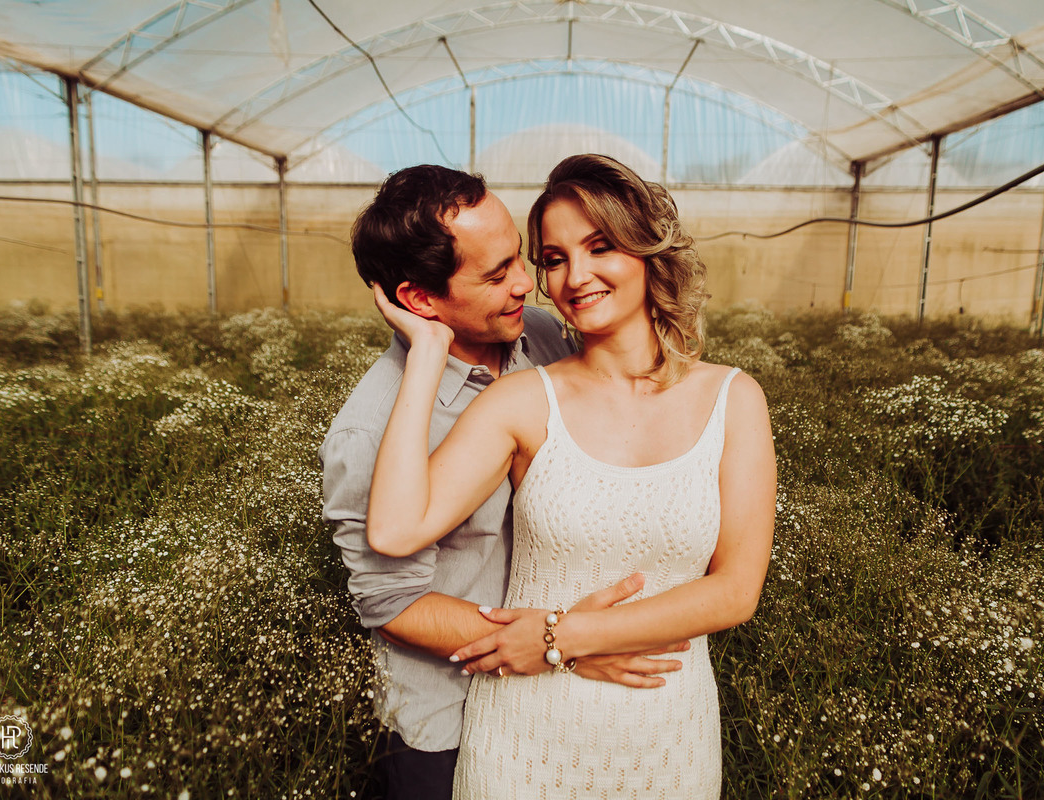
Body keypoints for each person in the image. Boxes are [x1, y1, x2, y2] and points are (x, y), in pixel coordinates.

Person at [366, 154, 776, 799]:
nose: (574, 277)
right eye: (554, 259)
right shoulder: (521, 400)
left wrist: (561, 637)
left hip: (668, 739)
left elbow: (735, 591)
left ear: (646, 250)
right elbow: (393, 531)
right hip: (523, 740)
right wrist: (427, 352)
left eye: (600, 247)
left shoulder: (734, 398)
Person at [320, 164, 690, 800]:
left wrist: (573, 641)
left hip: (570, 695)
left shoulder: (539, 337)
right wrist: (565, 642)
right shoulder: (370, 429)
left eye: (521, 256)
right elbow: (393, 602)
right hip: (450, 720)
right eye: (495, 276)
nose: (526, 283)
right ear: (419, 301)